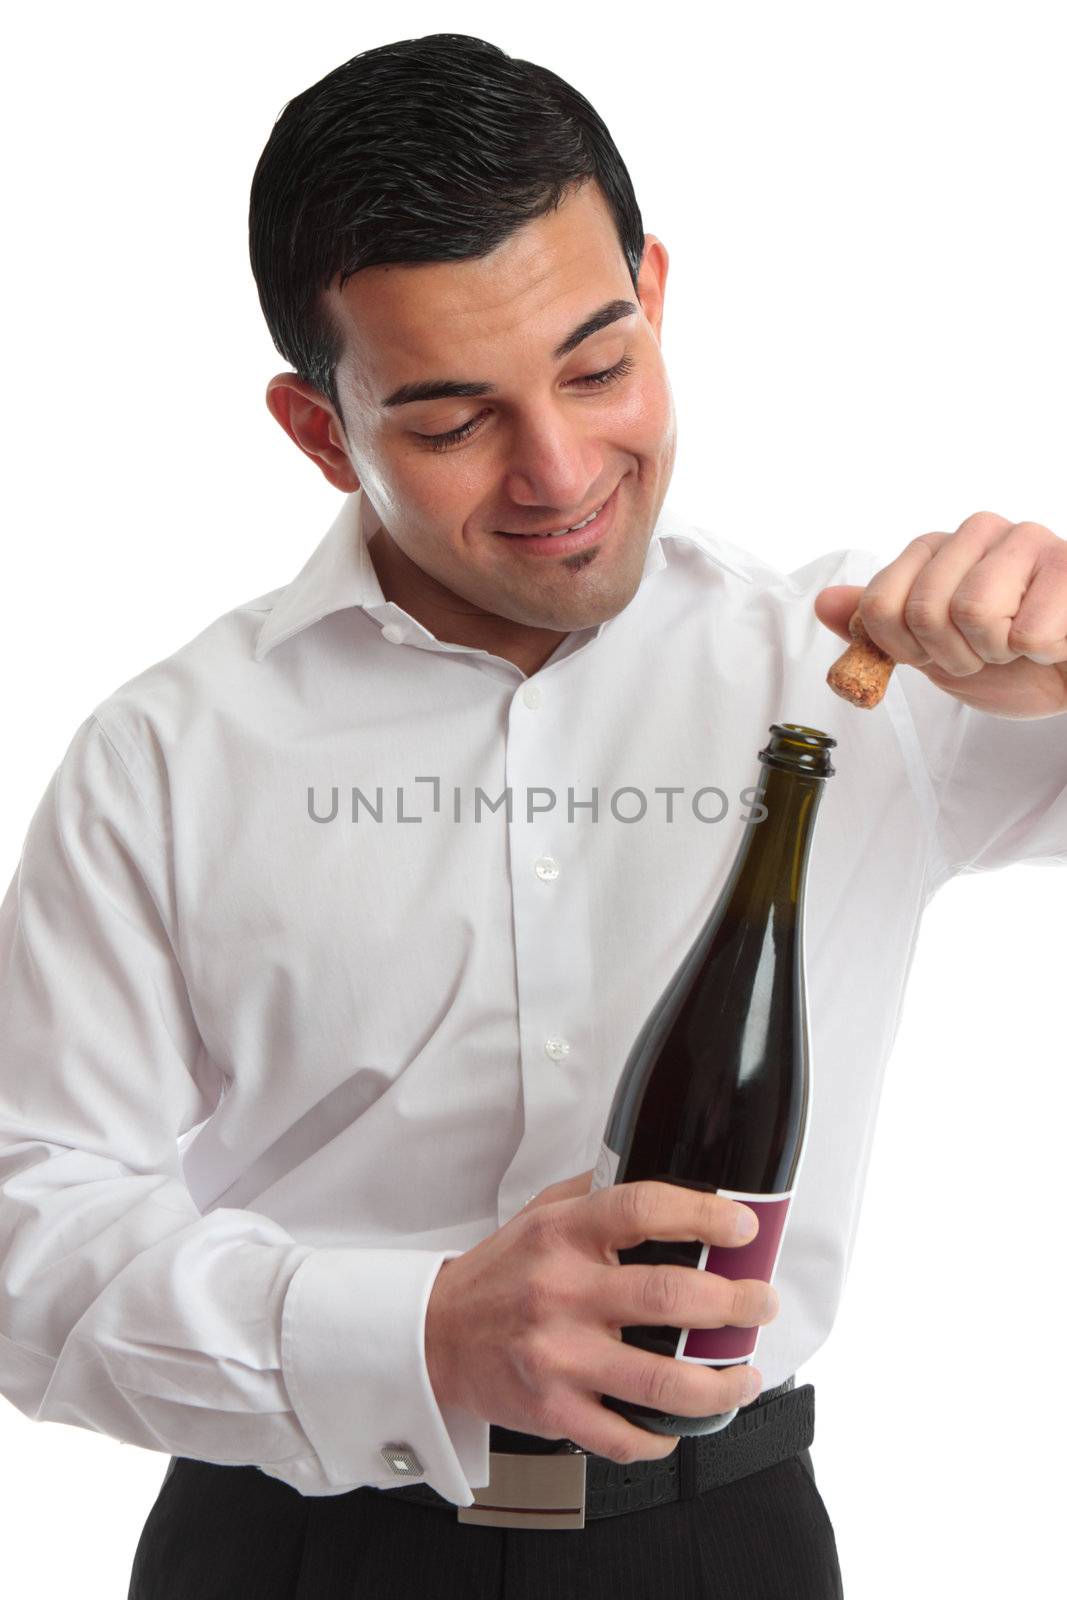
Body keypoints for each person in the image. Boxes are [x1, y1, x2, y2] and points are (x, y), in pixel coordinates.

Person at [1, 31, 1064, 1600]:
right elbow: (27, 1235)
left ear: (654, 292)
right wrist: (424, 1337)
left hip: (731, 1550)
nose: (560, 472)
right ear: (318, 431)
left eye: (598, 364)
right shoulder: (165, 754)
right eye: (449, 422)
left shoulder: (871, 682)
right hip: (294, 1554)